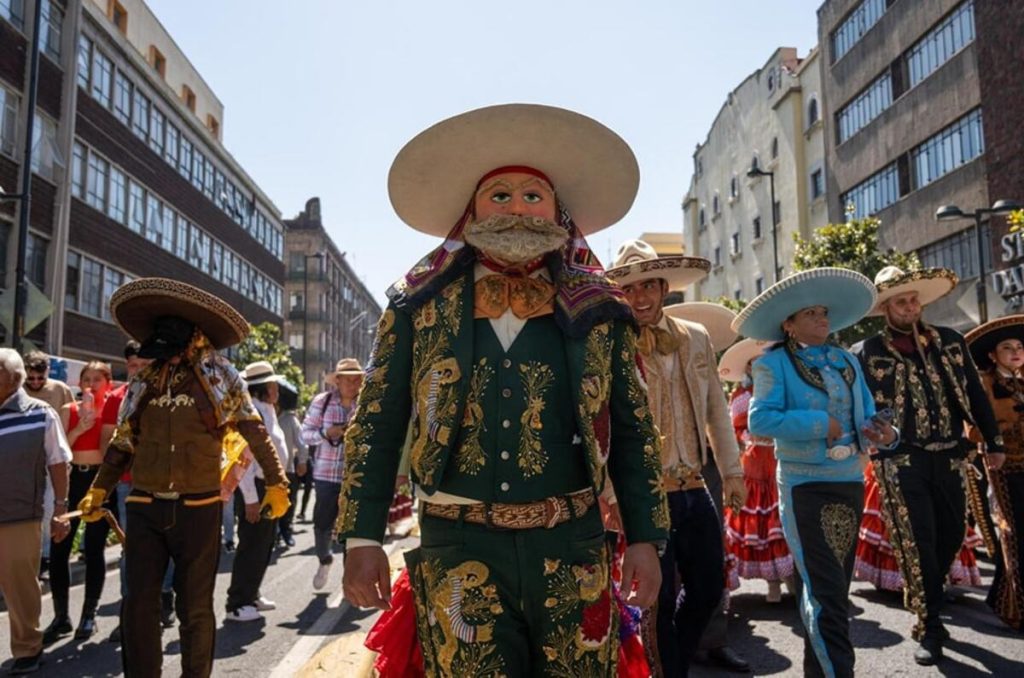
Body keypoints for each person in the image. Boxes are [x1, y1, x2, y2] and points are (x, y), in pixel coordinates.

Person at [340, 103, 668, 676]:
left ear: (556, 212)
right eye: (500, 195)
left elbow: (634, 428)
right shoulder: (418, 306)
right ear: (473, 211)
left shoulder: (602, 309)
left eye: (532, 195)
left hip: (572, 544)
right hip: (457, 546)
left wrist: (646, 537)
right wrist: (360, 537)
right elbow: (377, 423)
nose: (517, 207)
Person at [76, 277, 290, 678]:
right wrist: (99, 490)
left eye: (172, 351)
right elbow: (123, 441)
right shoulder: (143, 381)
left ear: (192, 341)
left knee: (195, 608)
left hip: (199, 507)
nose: (168, 360)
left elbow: (253, 430)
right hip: (144, 505)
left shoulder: (222, 376)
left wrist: (277, 482)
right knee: (138, 604)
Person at [739, 267, 898, 678]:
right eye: (810, 313)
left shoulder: (846, 360)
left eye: (823, 312)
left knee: (832, 589)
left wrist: (884, 433)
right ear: (788, 324)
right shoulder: (772, 363)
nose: (822, 319)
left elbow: (866, 412)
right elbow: (760, 421)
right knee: (827, 592)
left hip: (850, 481)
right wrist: (817, 423)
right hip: (804, 484)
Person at [606, 239, 747, 676]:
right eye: (629, 289)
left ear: (664, 288)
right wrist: (609, 493)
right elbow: (599, 424)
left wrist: (732, 470)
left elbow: (717, 410)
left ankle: (674, 665)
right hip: (643, 494)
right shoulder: (609, 343)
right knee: (656, 599)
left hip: (693, 484)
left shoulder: (696, 337)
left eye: (648, 285)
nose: (640, 297)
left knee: (709, 588)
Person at [852, 266, 1005, 665]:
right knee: (917, 541)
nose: (910, 307)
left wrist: (993, 441)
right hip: (901, 460)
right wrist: (871, 439)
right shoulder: (868, 351)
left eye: (913, 300)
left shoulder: (949, 341)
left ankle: (929, 598)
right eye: (901, 302)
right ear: (886, 308)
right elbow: (861, 407)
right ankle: (930, 623)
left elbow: (975, 393)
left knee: (952, 534)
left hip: (952, 455)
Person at [0, 349, 72, 675]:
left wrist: (61, 509)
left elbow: (59, 462)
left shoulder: (40, 414)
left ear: (13, 378)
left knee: (20, 585)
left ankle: (28, 648)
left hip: (19, 515)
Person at [43, 360, 114, 643]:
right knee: (60, 547)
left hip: (99, 481)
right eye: (87, 379)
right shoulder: (67, 409)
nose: (91, 385)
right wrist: (79, 429)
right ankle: (61, 616)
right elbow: (58, 450)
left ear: (108, 384)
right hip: (72, 480)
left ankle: (89, 614)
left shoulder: (112, 410)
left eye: (97, 379)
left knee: (94, 548)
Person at [98, 340, 164, 643]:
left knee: (162, 546)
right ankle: (130, 613)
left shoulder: (166, 394)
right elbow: (106, 445)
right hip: (126, 483)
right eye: (133, 365)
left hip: (161, 483)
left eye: (144, 365)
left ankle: (162, 601)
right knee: (132, 548)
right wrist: (105, 484)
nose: (138, 370)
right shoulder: (116, 398)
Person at [719, 338, 794, 603]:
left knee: (784, 520)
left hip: (781, 457)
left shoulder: (783, 391)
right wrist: (751, 436)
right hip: (755, 462)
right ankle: (773, 583)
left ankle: (790, 577)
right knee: (762, 523)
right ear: (749, 368)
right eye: (755, 363)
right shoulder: (741, 396)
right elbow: (736, 429)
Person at [964, 314, 1024, 632]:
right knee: (1014, 534)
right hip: (1004, 469)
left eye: (1019, 347)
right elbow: (973, 431)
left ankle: (1000, 598)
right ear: (992, 354)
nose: (1015, 352)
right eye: (1007, 347)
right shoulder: (984, 384)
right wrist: (1002, 431)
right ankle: (1015, 607)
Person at [225, 361, 290, 622]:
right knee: (251, 544)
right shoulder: (252, 414)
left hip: (270, 487)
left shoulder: (267, 410)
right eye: (272, 385)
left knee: (264, 544)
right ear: (261, 388)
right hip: (257, 489)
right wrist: (251, 500)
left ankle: (252, 594)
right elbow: (245, 463)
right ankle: (237, 603)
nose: (276, 389)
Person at [301, 358, 364, 590]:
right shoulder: (323, 401)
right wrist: (327, 433)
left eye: (357, 380)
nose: (353, 384)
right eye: (348, 380)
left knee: (353, 529)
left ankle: (350, 579)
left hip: (356, 476)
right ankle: (324, 559)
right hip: (326, 475)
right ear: (337, 381)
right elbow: (305, 435)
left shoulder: (366, 404)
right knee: (322, 524)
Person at [22, 351, 74, 581]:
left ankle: (44, 559)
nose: (35, 383)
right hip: (24, 462)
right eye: (30, 378)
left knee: (48, 512)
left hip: (52, 461)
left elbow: (71, 417)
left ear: (47, 373)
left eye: (39, 378)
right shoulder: (16, 389)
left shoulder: (60, 389)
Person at [276, 378, 308, 548]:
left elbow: (302, 443)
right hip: (266, 472)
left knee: (289, 502)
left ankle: (286, 531)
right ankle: (274, 534)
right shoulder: (263, 416)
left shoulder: (290, 420)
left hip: (287, 470)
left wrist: (302, 462)